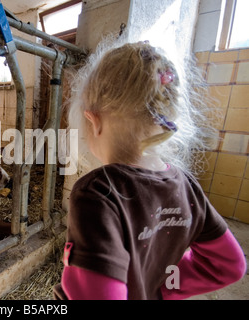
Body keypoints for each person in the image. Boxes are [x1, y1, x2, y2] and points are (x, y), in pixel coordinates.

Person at [53, 41, 246, 300]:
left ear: (94, 121)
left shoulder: (98, 192)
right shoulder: (186, 186)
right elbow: (231, 265)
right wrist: (164, 287)